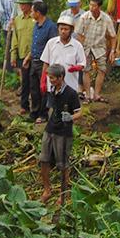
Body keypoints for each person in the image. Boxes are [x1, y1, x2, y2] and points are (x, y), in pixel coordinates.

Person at [38, 63, 82, 206]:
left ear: (61, 77)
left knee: (63, 164)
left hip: (63, 133)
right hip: (50, 129)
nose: (50, 80)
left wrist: (70, 118)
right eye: (49, 78)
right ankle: (47, 190)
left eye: (52, 78)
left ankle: (63, 194)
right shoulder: (52, 89)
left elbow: (79, 112)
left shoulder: (71, 93)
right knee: (44, 160)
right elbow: (51, 107)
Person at [39, 14, 87, 110]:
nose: (63, 31)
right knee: (54, 111)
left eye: (66, 29)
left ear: (71, 30)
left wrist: (76, 68)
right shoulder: (51, 43)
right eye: (61, 29)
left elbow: (82, 64)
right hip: (53, 84)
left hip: (70, 85)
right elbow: (46, 63)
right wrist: (43, 80)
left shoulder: (77, 46)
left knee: (68, 111)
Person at [77, 0, 117, 102]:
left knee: (102, 69)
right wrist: (81, 47)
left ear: (99, 7)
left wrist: (112, 51)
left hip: (100, 48)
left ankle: (97, 94)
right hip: (86, 47)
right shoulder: (84, 17)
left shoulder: (106, 19)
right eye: (90, 5)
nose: (91, 8)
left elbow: (113, 36)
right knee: (86, 70)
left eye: (94, 6)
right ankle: (88, 95)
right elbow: (79, 34)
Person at [28, 2, 59, 122]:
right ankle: (34, 111)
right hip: (34, 61)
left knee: (44, 88)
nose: (31, 13)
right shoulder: (36, 25)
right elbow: (34, 44)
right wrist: (28, 58)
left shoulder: (51, 27)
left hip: (44, 62)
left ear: (38, 13)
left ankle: (43, 113)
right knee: (34, 88)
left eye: (32, 11)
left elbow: (52, 46)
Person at [11, 0, 36, 113]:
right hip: (22, 54)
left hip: (35, 55)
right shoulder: (17, 20)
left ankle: (37, 107)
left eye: (24, 4)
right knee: (25, 81)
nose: (21, 7)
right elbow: (14, 39)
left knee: (34, 82)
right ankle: (24, 105)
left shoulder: (35, 19)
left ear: (30, 6)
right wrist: (13, 56)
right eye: (20, 4)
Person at [0, 0, 20, 71]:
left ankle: (8, 67)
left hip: (5, 26)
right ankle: (16, 66)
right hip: (16, 26)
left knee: (7, 46)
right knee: (15, 46)